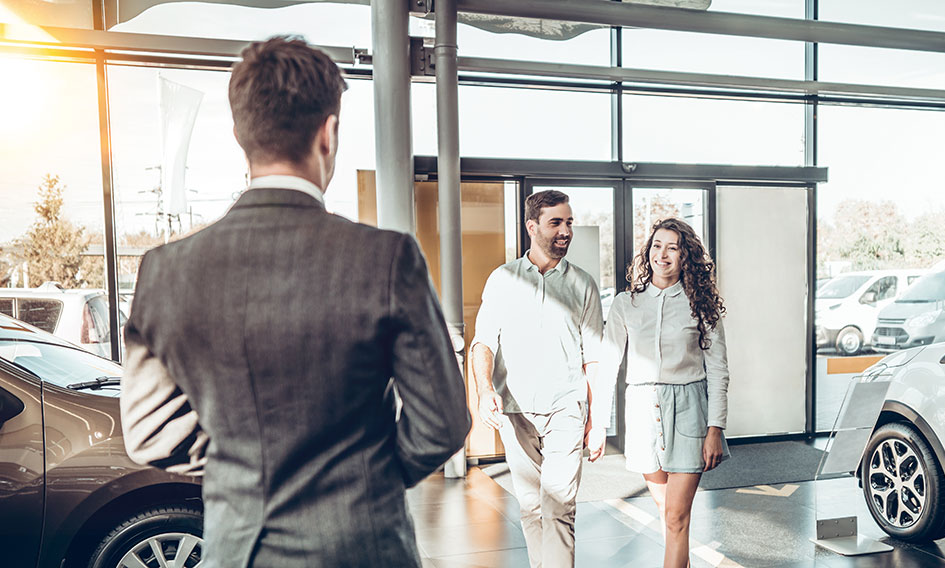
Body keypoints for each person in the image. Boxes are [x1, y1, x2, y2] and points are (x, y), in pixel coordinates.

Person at [119, 36, 471, 568]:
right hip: (364, 548)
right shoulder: (385, 258)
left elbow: (149, 434)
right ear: (328, 132)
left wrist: (246, 469)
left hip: (239, 551)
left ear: (239, 134)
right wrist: (362, 482)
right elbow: (442, 422)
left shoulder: (165, 270)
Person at [470, 189, 603, 568]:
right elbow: (483, 344)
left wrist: (598, 420)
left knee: (558, 504)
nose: (566, 231)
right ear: (532, 226)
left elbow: (594, 359)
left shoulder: (583, 285)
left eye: (569, 222)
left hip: (567, 406)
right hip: (515, 409)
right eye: (556, 222)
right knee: (531, 506)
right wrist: (484, 392)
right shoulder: (503, 279)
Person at [588, 217, 730, 568]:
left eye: (673, 247)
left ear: (686, 256)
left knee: (676, 518)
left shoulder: (701, 305)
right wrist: (597, 426)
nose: (662, 254)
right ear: (647, 251)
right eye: (656, 246)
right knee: (669, 517)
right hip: (641, 411)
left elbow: (719, 370)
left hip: (690, 411)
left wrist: (716, 428)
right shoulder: (626, 304)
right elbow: (608, 366)